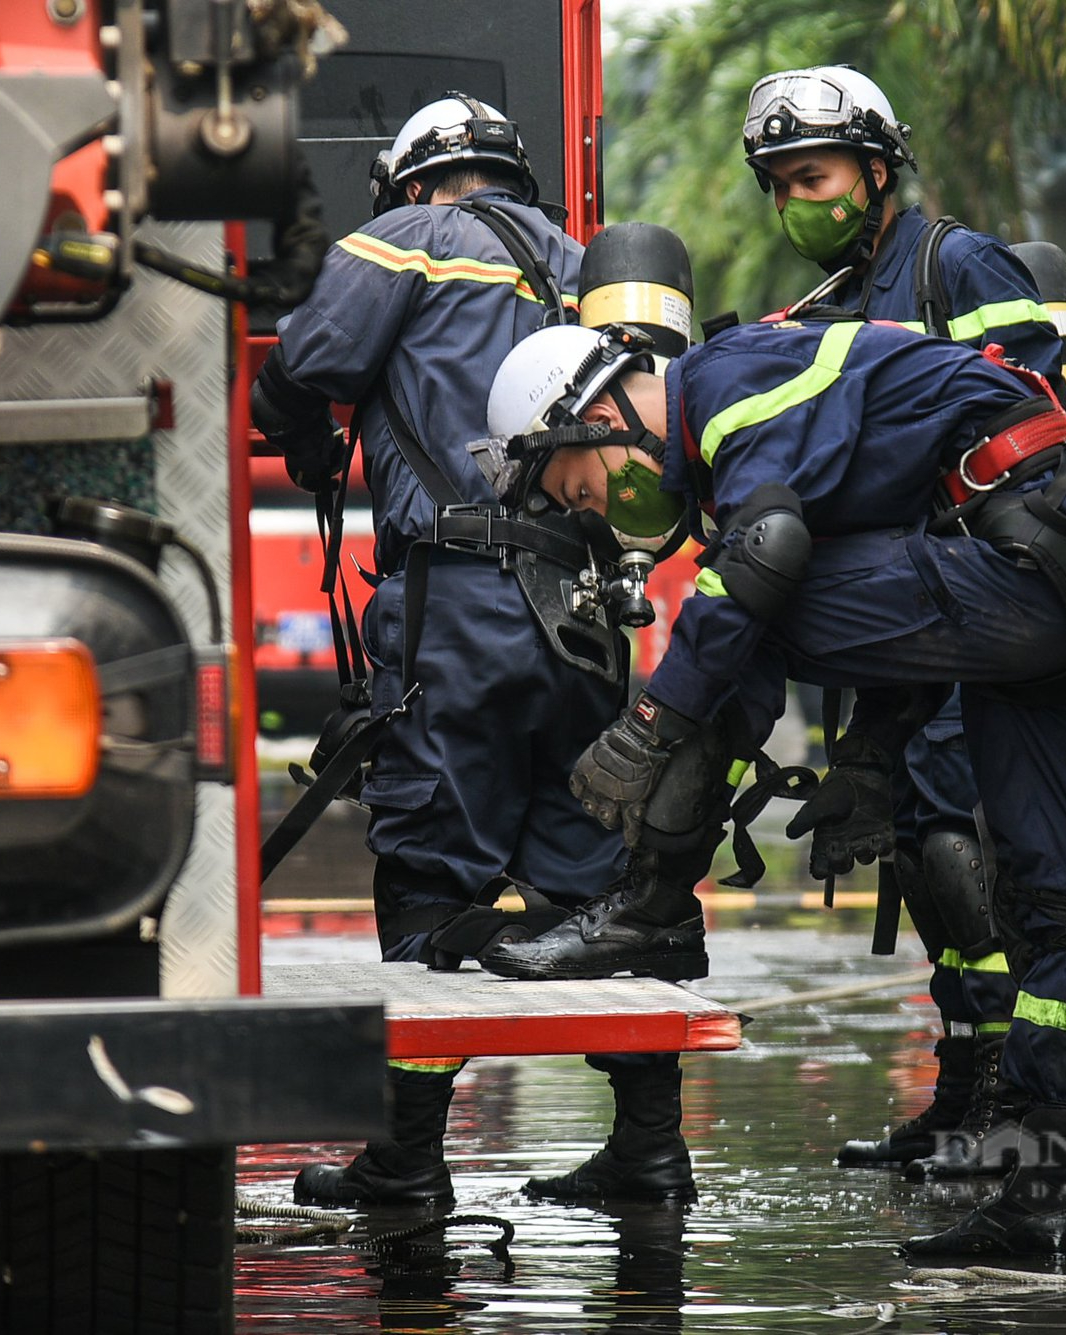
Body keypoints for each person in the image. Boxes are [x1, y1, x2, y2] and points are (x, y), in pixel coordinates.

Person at [479, 317, 1066, 1258]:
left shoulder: (723, 392)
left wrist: (649, 725)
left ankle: (654, 903)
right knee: (1063, 916)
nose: (602, 507)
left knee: (746, 593)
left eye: (581, 487)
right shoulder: (779, 397)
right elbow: (910, 553)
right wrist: (872, 757)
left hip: (1021, 563)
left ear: (595, 418)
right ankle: (1041, 1202)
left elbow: (773, 547)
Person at [251, 94, 694, 1209]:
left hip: (459, 604)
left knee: (428, 868)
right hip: (586, 611)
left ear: (410, 181)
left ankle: (407, 1159)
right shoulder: (581, 262)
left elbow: (303, 361)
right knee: (599, 878)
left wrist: (302, 443)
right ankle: (646, 1147)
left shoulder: (403, 239)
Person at [739, 65, 1066, 1180]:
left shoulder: (954, 263)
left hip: (988, 596)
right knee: (918, 845)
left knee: (961, 842)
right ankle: (965, 1089)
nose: (799, 199)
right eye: (780, 182)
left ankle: (1009, 1111)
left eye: (816, 174)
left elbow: (1030, 418)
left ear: (877, 170)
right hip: (909, 610)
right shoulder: (835, 300)